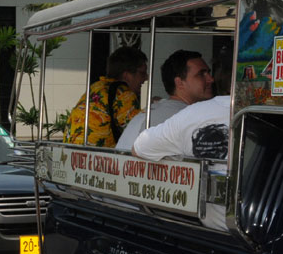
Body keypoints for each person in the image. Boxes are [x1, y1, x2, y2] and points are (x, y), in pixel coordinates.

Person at [132, 85, 231, 231]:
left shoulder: (196, 113)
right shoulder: (194, 113)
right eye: (202, 74)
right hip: (226, 234)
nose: (209, 80)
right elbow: (140, 147)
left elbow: (139, 148)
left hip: (220, 232)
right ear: (179, 82)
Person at [115, 50, 213, 150]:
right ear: (179, 83)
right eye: (201, 74)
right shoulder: (186, 117)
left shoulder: (152, 111)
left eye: (209, 73)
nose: (211, 79)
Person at [65, 46, 149, 147]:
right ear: (127, 75)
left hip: (72, 151)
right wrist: (154, 108)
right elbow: (137, 132)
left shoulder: (96, 87)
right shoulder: (124, 94)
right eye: (142, 73)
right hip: (98, 156)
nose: (146, 78)